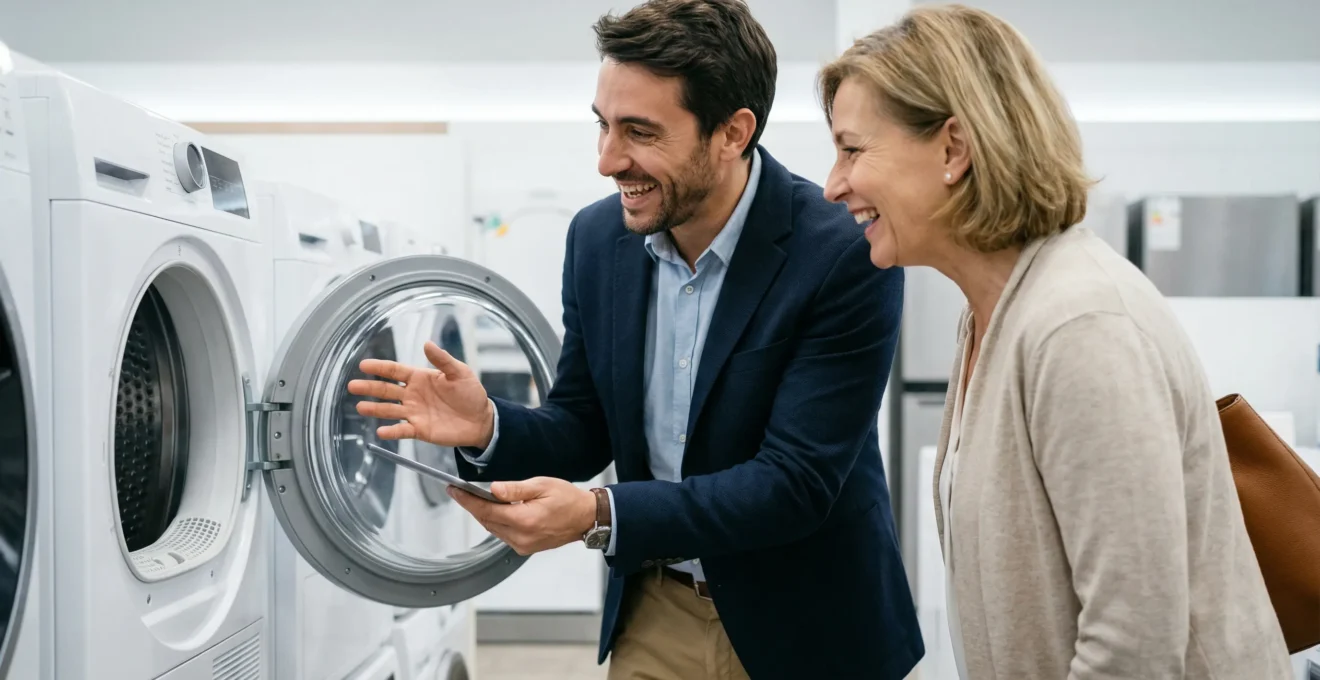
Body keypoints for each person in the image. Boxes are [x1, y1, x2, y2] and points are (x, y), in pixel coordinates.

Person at [347, 1, 924, 678]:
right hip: (658, 607)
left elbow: (793, 483)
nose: (607, 160)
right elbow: (583, 425)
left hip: (808, 621)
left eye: (640, 132)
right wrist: (488, 427)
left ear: (732, 132)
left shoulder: (840, 252)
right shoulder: (598, 240)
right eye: (603, 124)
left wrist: (598, 513)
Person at [817, 5, 1294, 679]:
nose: (833, 185)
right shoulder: (990, 315)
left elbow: (1132, 648)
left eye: (852, 150)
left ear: (953, 149)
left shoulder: (1080, 325)